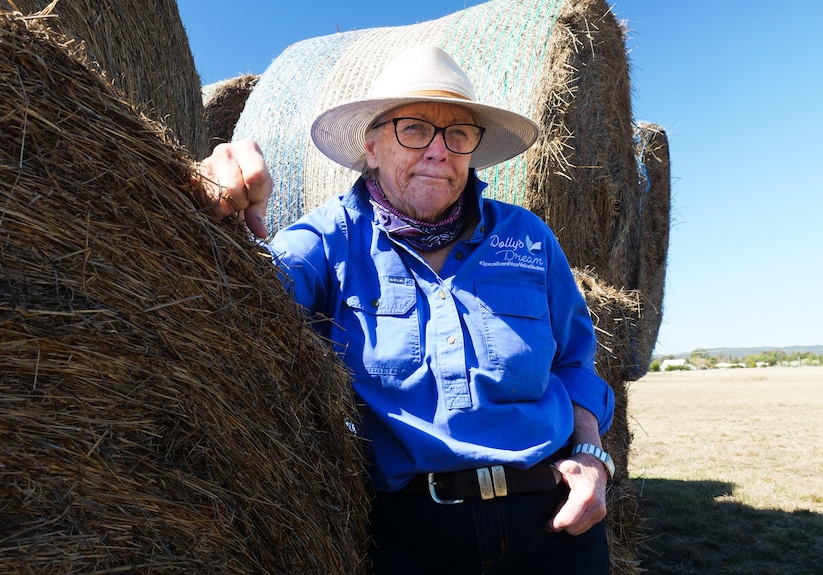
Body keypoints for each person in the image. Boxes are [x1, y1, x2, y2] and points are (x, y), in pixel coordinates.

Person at [198, 45, 615, 575]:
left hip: (554, 523)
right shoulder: (328, 241)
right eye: (414, 129)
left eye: (458, 133)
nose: (439, 150)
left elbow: (574, 363)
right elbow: (239, 295)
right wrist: (213, 203)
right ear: (371, 147)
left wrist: (590, 455)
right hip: (413, 539)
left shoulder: (527, 238)